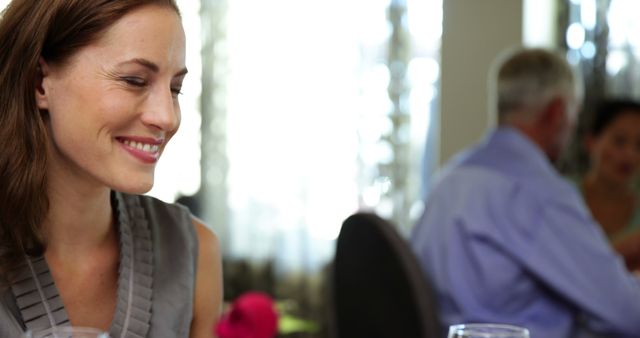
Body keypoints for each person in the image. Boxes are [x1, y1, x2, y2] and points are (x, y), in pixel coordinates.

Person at [0, 1, 222, 337]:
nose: (167, 117)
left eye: (175, 88)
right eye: (134, 80)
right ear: (39, 82)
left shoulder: (194, 253)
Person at [410, 47, 640, 338]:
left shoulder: (449, 179)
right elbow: (628, 314)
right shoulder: (536, 192)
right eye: (574, 115)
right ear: (557, 113)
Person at [571, 99, 640, 270]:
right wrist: (623, 252)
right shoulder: (558, 194)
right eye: (619, 141)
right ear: (591, 141)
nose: (629, 155)